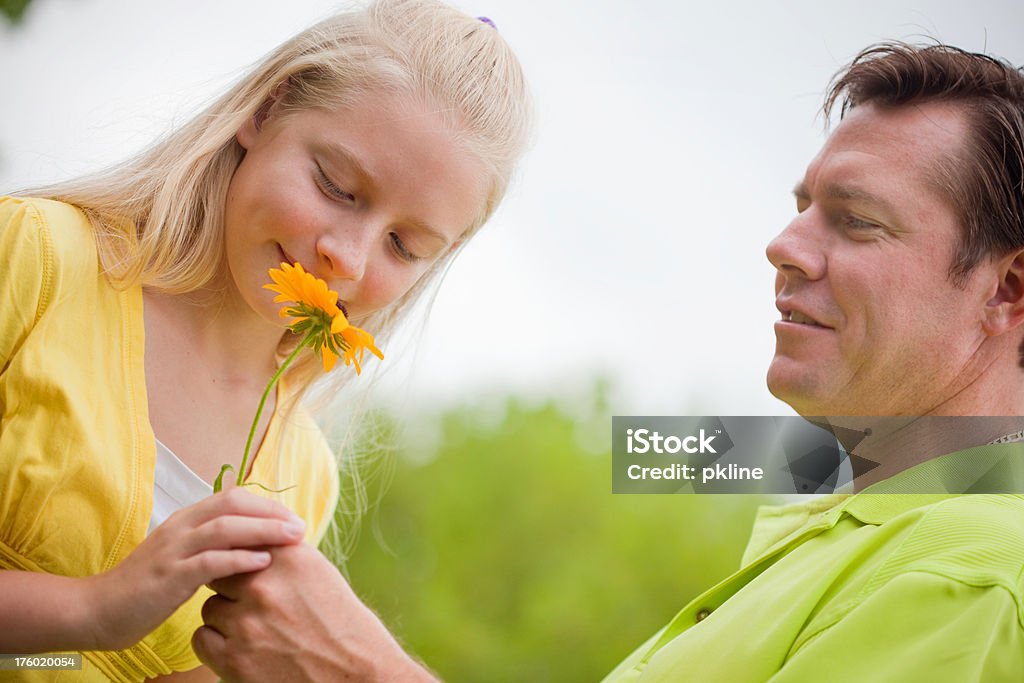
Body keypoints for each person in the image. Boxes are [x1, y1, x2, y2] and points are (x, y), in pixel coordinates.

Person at [196, 41, 1024, 682]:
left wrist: (361, 669)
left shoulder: (972, 581)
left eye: (859, 220)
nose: (783, 245)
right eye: (803, 206)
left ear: (1007, 288)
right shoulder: (838, 500)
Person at [0, 0, 530, 680]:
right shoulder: (33, 259)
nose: (349, 257)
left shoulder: (304, 476)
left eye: (405, 245)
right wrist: (89, 610)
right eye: (336, 186)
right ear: (265, 109)